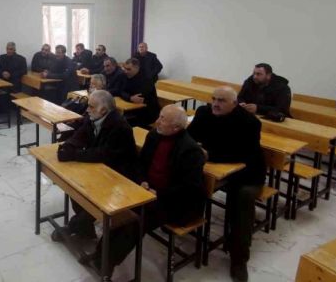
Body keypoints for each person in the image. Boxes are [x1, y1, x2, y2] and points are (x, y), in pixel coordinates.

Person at [94, 105, 207, 276]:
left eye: (163, 119)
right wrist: (143, 180)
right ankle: (99, 256)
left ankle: (106, 264)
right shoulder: (154, 136)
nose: (157, 121)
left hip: (175, 202)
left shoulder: (190, 150)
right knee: (120, 211)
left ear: (176, 128)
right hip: (148, 192)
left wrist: (158, 194)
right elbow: (141, 163)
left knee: (136, 220)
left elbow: (189, 187)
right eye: (159, 116)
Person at [187, 87, 265, 282]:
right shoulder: (204, 113)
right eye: (213, 98)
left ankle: (239, 259)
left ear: (235, 103)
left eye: (221, 100)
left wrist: (209, 155)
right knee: (188, 175)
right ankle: (186, 218)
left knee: (242, 198)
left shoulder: (250, 122)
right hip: (215, 167)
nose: (215, 103)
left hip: (247, 172)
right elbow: (189, 136)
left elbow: (244, 153)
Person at [53, 91, 138, 245]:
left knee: (92, 198)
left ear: (103, 110)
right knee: (75, 184)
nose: (87, 109)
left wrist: (74, 155)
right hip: (102, 167)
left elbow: (104, 154)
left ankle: (73, 227)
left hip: (120, 174)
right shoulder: (93, 118)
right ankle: (85, 230)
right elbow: (80, 136)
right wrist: (67, 147)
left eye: (91, 106)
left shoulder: (120, 126)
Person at [119, 58, 160, 127]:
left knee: (123, 124)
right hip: (133, 109)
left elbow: (139, 98)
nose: (126, 71)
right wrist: (129, 97)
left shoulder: (146, 79)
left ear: (137, 68)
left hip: (147, 112)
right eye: (125, 69)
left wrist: (128, 96)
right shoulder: (125, 76)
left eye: (129, 69)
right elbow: (120, 91)